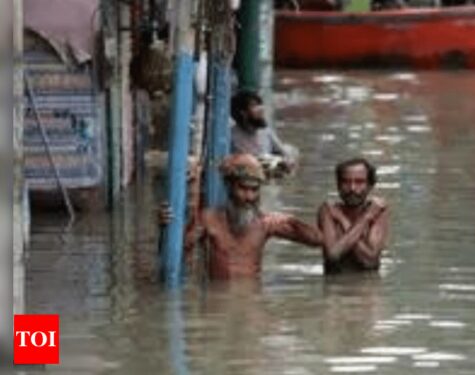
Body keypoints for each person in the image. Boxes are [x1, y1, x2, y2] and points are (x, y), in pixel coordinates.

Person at [159, 154, 321, 279]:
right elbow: (174, 257)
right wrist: (165, 227)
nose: (249, 197)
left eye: (254, 189)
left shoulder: (266, 223)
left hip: (253, 307)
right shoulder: (208, 220)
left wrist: (296, 220)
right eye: (243, 188)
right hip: (218, 307)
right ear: (229, 187)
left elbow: (317, 240)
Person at [317, 158, 390, 274]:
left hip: (367, 287)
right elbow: (333, 255)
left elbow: (369, 261)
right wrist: (365, 219)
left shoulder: (377, 211)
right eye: (346, 182)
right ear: (338, 185)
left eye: (359, 182)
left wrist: (343, 220)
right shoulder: (327, 210)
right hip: (334, 287)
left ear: (370, 186)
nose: (352, 188)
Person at [231, 90, 298, 176]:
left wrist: (287, 162)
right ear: (243, 112)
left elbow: (285, 154)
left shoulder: (265, 131)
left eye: (260, 104)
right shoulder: (232, 135)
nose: (260, 109)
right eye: (254, 106)